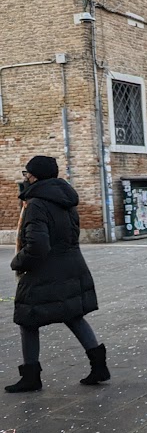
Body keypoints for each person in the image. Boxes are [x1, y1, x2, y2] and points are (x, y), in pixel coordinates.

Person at [5, 156, 109, 394]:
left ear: (34, 176)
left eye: (26, 173)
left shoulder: (37, 204)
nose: (25, 177)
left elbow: (37, 246)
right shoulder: (66, 200)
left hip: (44, 272)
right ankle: (99, 366)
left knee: (27, 319)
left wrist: (18, 261)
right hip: (72, 266)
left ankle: (31, 376)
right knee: (73, 315)